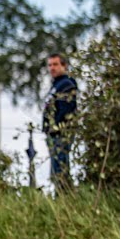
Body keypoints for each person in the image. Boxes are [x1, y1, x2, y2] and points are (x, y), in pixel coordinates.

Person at [42, 53, 79, 191]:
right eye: (50, 65)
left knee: (60, 169)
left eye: (55, 64)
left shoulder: (66, 84)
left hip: (61, 134)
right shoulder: (56, 85)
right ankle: (61, 196)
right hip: (53, 134)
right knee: (56, 169)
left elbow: (66, 109)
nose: (52, 68)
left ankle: (65, 196)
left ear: (64, 66)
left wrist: (55, 127)